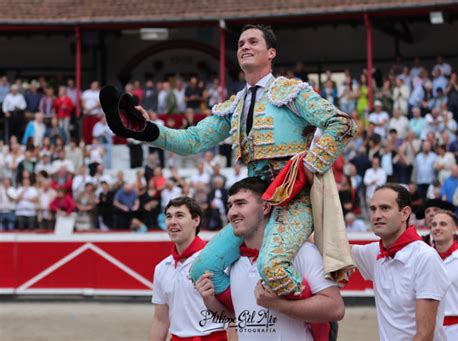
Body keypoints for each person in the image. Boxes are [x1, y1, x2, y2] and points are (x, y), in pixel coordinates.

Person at [101, 24, 355, 297]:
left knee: (273, 267)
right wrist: (144, 128)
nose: (245, 46)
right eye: (241, 43)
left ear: (271, 53)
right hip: (254, 198)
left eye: (253, 42)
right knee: (202, 271)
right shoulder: (236, 104)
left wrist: (311, 163)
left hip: (293, 197)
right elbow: (192, 140)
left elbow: (339, 122)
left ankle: (314, 325)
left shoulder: (292, 92)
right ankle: (248, 320)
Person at [195, 177, 344, 341]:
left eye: (240, 203)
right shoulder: (236, 263)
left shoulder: (302, 253)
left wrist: (279, 306)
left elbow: (335, 309)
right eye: (230, 205)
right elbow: (235, 316)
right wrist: (210, 302)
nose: (232, 212)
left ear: (265, 207)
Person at [351, 183, 450, 340]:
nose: (376, 215)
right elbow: (332, 246)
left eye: (385, 208)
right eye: (373, 209)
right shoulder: (374, 252)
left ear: (404, 213)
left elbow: (424, 335)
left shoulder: (425, 258)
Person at [148, 196, 227, 341]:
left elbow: (235, 316)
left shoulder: (218, 260)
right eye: (169, 216)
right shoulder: (161, 268)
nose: (172, 222)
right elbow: (160, 320)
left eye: (179, 216)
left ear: (196, 221)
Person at [430, 211, 458, 340]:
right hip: (432, 330)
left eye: (443, 224)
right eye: (434, 224)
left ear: (454, 229)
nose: (437, 228)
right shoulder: (424, 259)